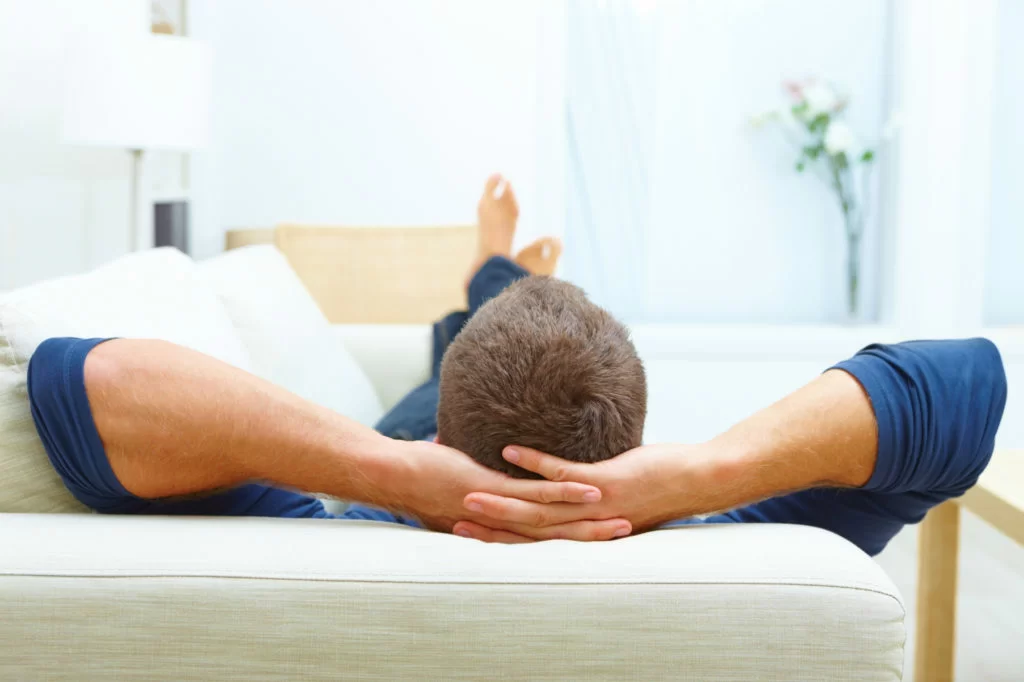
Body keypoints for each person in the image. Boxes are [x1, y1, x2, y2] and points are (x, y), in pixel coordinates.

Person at [26, 176, 1007, 555]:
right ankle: (500, 278)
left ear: (445, 442)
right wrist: (696, 474)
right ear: (635, 440)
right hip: (522, 462)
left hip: (419, 452)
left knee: (463, 340)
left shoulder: (329, 530)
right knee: (482, 325)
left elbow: (82, 377)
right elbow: (962, 384)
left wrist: (397, 469)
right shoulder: (736, 535)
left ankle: (494, 279)